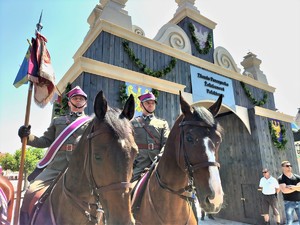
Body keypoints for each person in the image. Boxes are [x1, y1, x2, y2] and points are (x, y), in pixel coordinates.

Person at [18, 86, 90, 225]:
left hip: (80, 169)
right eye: (75, 98)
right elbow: (45, 141)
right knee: (30, 192)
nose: (79, 101)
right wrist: (28, 136)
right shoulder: (58, 121)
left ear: (85, 103)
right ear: (69, 102)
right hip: (55, 168)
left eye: (81, 99)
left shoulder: (91, 123)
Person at [131, 92, 170, 182]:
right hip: (139, 163)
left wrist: (160, 157)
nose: (150, 105)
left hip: (158, 164)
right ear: (141, 105)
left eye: (153, 103)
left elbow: (167, 143)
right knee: (128, 188)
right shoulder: (133, 123)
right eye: (147, 103)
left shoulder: (162, 123)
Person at [278, 161, 300, 225]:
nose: (289, 167)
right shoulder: (281, 178)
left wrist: (291, 187)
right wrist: (296, 187)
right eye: (287, 166)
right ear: (283, 168)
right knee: (289, 220)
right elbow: (284, 191)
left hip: (299, 201)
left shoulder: (297, 177)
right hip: (289, 202)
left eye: (290, 166)